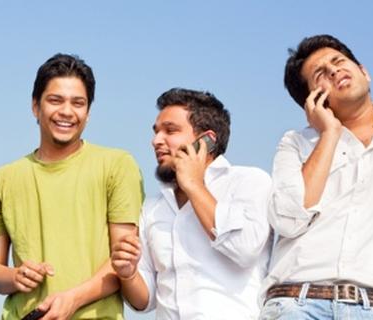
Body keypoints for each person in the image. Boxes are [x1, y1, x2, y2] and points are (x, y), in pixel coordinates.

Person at [0, 53, 144, 319]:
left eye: (78, 103)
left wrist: (72, 299)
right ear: (35, 106)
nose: (66, 111)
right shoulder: (1, 179)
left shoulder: (118, 165)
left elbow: (122, 262)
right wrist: (15, 276)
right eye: (55, 100)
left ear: (88, 113)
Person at [260, 34, 373, 318]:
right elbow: (288, 219)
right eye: (320, 73)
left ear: (365, 72)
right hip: (296, 302)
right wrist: (329, 134)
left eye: (339, 61)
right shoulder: (295, 144)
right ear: (312, 100)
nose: (334, 70)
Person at [111, 88, 272, 319]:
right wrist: (127, 274)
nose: (156, 141)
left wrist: (194, 185)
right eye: (156, 132)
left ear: (207, 140)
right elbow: (144, 301)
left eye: (171, 130)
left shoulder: (249, 182)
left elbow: (244, 249)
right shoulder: (152, 207)